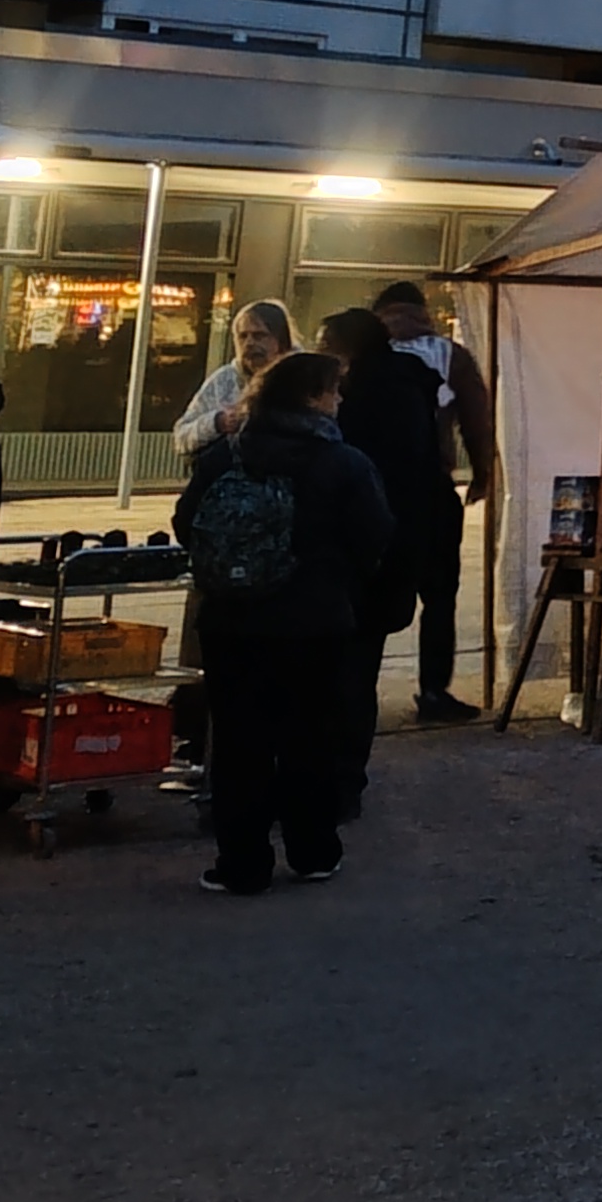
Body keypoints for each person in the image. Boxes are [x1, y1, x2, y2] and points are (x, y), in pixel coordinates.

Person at [177, 348, 399, 894]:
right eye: (332, 390)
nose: (339, 400)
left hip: (229, 623)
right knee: (310, 738)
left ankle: (241, 863)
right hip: (313, 623)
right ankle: (313, 851)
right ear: (311, 398)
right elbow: (376, 535)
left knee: (238, 742)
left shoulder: (226, 455)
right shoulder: (342, 462)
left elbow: (187, 522)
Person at [311, 311, 432, 812]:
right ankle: (345, 781)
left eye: (326, 344)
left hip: (356, 559)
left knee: (341, 675)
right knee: (360, 673)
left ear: (346, 349)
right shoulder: (412, 389)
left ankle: (334, 782)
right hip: (394, 555)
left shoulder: (355, 401)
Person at [371, 284, 497, 722]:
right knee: (439, 593)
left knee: (370, 590)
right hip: (430, 488)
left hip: (370, 488)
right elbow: (476, 419)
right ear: (423, 311)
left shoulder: (359, 351)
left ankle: (358, 686)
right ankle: (433, 691)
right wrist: (483, 475)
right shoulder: (450, 354)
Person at [170, 301, 296, 455]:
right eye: (243, 336)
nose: (249, 343)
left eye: (259, 336)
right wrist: (218, 422)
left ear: (282, 341)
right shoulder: (223, 380)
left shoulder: (305, 377)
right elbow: (181, 437)